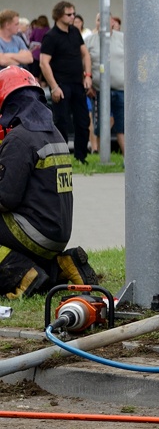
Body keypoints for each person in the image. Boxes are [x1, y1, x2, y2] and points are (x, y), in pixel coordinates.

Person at [0, 66, 98, 299]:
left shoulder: (19, 139)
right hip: (55, 234)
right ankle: (61, 266)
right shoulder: (52, 132)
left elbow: (6, 198)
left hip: (32, 231)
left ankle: (22, 275)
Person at [39, 1, 93, 164]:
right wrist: (54, 87)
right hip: (61, 85)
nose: (72, 17)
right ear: (58, 16)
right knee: (61, 121)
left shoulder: (75, 32)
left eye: (73, 14)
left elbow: (86, 55)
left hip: (77, 83)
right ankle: (62, 157)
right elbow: (44, 62)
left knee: (83, 121)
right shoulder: (51, 36)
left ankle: (81, 157)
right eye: (69, 14)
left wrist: (88, 75)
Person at [85, 14, 126, 155]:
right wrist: (87, 84)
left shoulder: (123, 38)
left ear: (113, 22)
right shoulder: (89, 41)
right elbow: (83, 64)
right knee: (102, 125)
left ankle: (128, 159)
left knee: (123, 125)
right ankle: (103, 156)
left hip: (122, 89)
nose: (101, 23)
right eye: (98, 20)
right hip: (100, 90)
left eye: (105, 20)